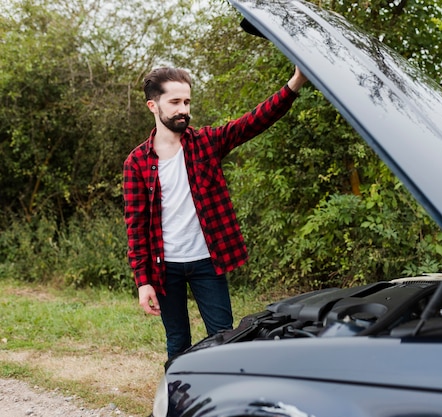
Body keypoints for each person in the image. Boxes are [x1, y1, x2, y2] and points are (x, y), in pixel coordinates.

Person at [123, 65, 308, 358]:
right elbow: (135, 225)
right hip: (165, 267)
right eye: (175, 102)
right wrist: (143, 280)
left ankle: (226, 397)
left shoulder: (206, 143)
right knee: (178, 341)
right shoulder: (137, 162)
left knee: (224, 338)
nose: (183, 109)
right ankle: (179, 399)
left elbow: (254, 122)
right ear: (153, 105)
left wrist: (296, 81)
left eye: (187, 102)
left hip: (207, 263)